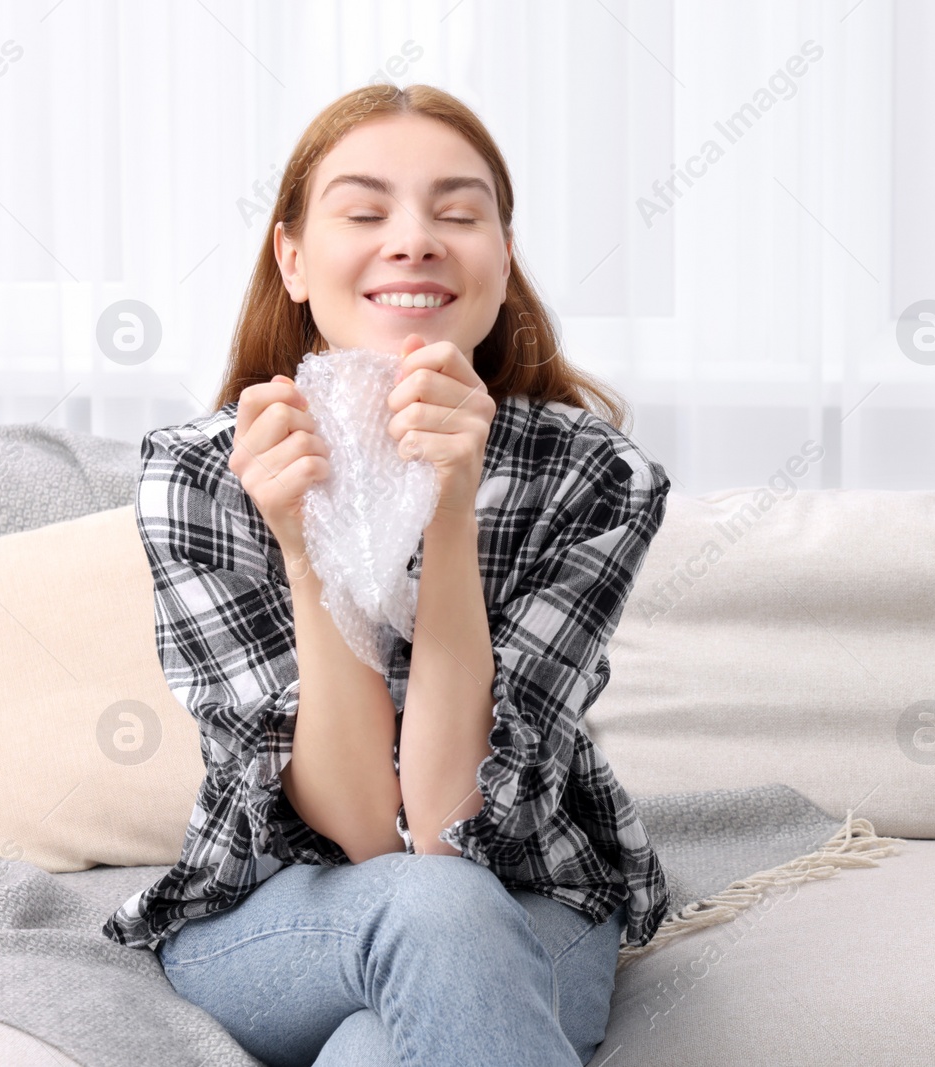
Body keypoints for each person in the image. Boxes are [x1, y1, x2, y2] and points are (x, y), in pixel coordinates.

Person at [100, 82, 672, 1067]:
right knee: (428, 907)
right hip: (282, 912)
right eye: (364, 212)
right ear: (291, 257)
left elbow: (449, 824)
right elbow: (369, 827)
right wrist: (298, 536)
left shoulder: (593, 476)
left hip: (523, 894)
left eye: (459, 213)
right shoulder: (195, 472)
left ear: (500, 258)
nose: (412, 239)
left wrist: (449, 510)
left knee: (381, 1036)